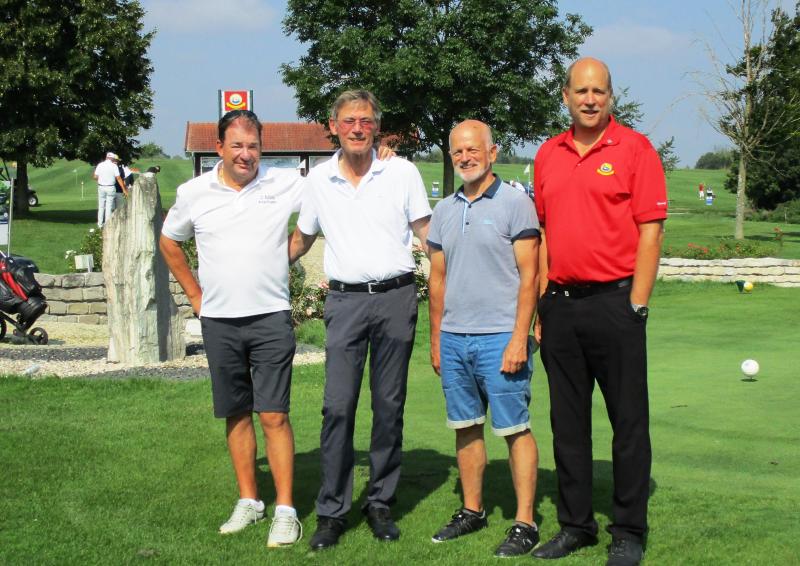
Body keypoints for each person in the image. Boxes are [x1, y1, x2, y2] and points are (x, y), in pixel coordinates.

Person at [531, 57, 667, 566]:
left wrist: (638, 303)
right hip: (562, 307)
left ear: (611, 97)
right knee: (567, 425)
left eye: (600, 91)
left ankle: (628, 530)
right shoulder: (548, 155)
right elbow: (544, 234)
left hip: (616, 303)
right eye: (581, 91)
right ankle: (576, 525)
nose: (590, 99)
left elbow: (650, 231)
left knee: (628, 423)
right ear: (565, 95)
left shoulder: (635, 150)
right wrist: (543, 304)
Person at [288, 89, 432, 551]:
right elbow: (302, 239)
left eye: (366, 121)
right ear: (333, 126)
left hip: (396, 297)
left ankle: (380, 503)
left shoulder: (402, 172)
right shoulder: (318, 180)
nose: (357, 128)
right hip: (346, 304)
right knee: (338, 407)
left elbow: (427, 234)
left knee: (389, 406)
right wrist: (254, 266)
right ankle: (332, 511)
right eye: (349, 120)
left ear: (377, 127)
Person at [159, 110, 305, 548]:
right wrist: (197, 297)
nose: (246, 155)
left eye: (254, 146)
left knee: (274, 414)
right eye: (237, 146)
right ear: (218, 147)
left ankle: (285, 510)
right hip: (220, 321)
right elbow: (170, 241)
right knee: (236, 413)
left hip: (270, 316)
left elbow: (334, 183)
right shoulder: (194, 192)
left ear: (263, 147)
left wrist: (291, 251)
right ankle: (249, 501)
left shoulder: (283, 183)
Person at [427, 120, 541, 557]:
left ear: (492, 152)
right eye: (458, 152)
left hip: (500, 337)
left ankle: (525, 521)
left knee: (514, 428)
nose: (465, 157)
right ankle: (472, 511)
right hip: (455, 338)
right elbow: (437, 280)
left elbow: (530, 276)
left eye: (473, 150)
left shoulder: (515, 203)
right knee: (466, 426)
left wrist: (519, 338)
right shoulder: (444, 210)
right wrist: (436, 339)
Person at [93, 152, 125, 227]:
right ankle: (107, 224)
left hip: (101, 187)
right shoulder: (114, 166)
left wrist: (102, 178)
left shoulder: (100, 165)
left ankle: (100, 224)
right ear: (113, 158)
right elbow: (118, 178)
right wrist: (124, 189)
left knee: (101, 206)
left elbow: (95, 176)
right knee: (109, 206)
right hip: (110, 187)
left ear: (106, 157)